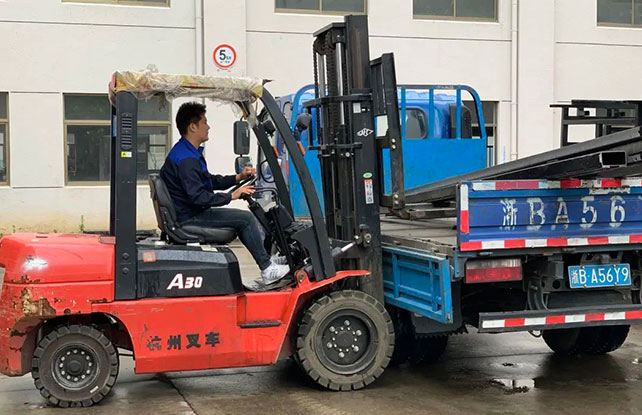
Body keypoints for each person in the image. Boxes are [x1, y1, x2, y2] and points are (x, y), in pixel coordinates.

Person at [160, 102, 290, 284]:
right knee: (246, 219)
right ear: (192, 127)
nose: (208, 126)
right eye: (205, 122)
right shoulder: (186, 159)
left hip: (188, 212)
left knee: (244, 218)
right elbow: (198, 197)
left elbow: (209, 181)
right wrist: (232, 196)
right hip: (189, 217)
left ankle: (267, 260)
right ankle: (267, 268)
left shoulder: (186, 153)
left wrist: (238, 178)